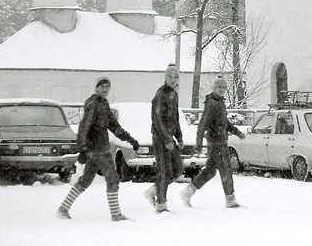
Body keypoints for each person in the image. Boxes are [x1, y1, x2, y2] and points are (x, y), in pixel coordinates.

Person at [57, 76, 140, 221]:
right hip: (98, 150)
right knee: (113, 180)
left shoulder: (103, 104)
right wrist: (83, 147)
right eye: (102, 86)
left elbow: (114, 127)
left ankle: (63, 209)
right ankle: (116, 215)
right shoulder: (95, 104)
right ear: (96, 88)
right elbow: (85, 126)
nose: (105, 89)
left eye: (107, 86)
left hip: (95, 150)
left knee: (85, 181)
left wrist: (130, 139)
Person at [180, 76, 245, 209]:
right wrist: (198, 144)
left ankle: (188, 192)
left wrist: (237, 132)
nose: (221, 89)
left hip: (218, 142)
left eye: (224, 87)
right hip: (217, 143)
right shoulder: (212, 103)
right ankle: (230, 200)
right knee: (226, 171)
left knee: (209, 172)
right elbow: (202, 123)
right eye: (219, 87)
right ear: (214, 88)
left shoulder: (219, 103)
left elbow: (224, 122)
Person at [144, 63, 184, 213]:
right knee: (164, 170)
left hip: (170, 138)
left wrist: (178, 137)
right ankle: (161, 205)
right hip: (160, 137)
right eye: (170, 76)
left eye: (175, 76)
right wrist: (167, 139)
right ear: (165, 77)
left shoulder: (174, 95)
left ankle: (153, 192)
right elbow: (157, 119)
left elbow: (176, 118)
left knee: (178, 169)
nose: (173, 79)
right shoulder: (160, 94)